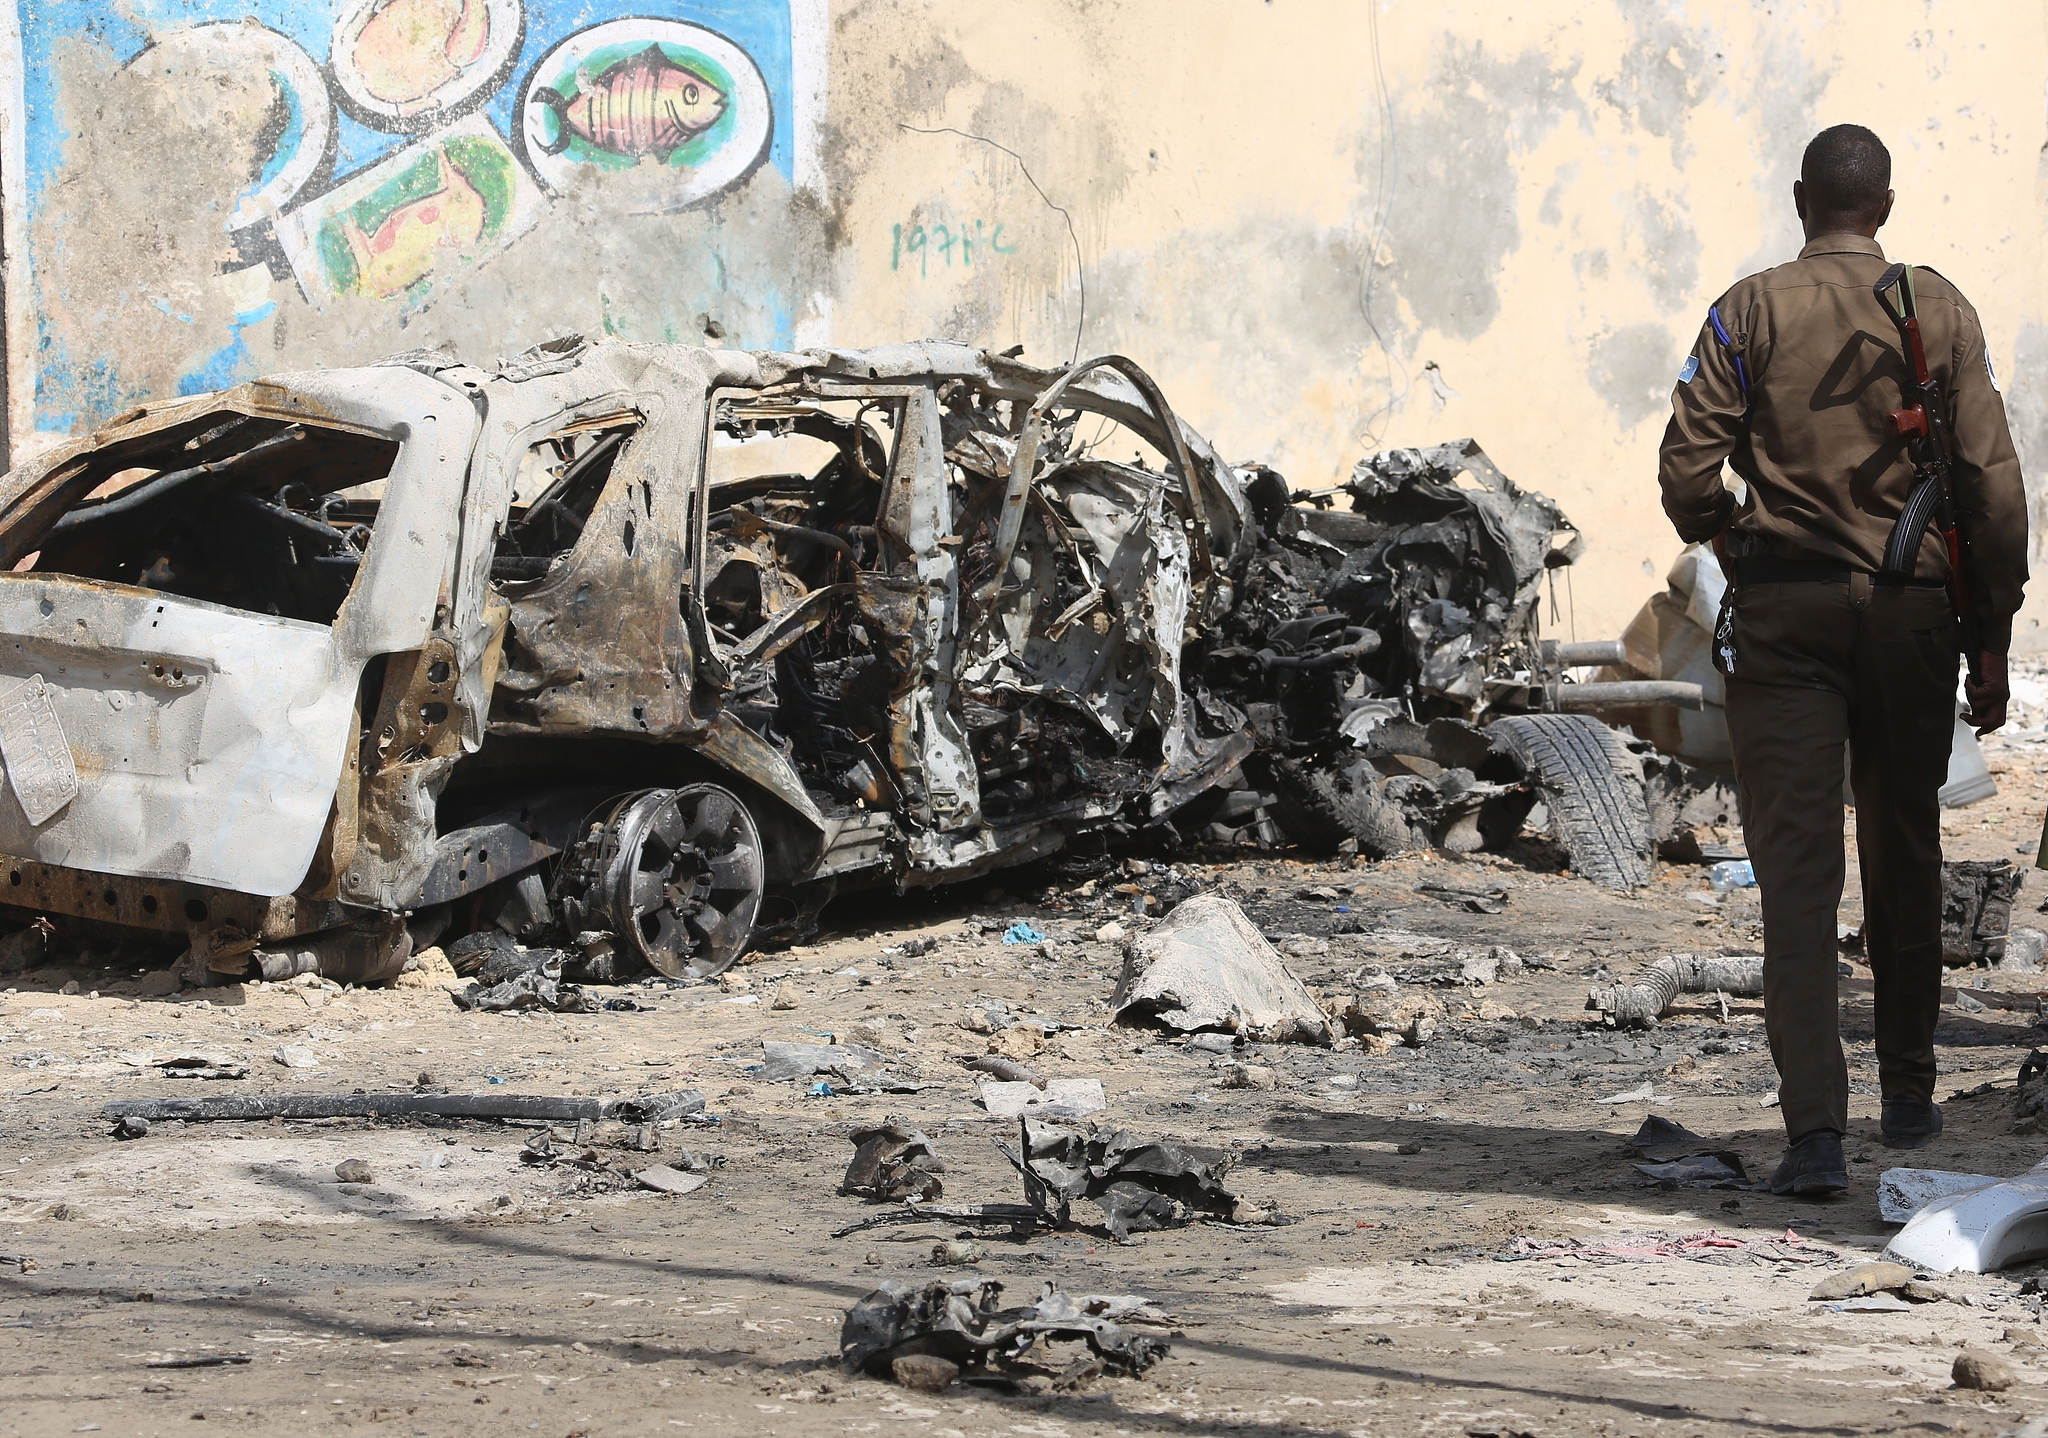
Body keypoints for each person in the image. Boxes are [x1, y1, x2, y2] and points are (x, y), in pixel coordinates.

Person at [1657, 123, 2028, 1195]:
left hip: (1781, 616)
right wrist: (1990, 635)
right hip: (1912, 619)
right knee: (1904, 854)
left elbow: (1686, 467)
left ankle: (1814, 1133)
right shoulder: (1936, 307)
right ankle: (1908, 1098)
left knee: (1796, 874)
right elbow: (1990, 489)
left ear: (1797, 199)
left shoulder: (1746, 309)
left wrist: (1728, 535)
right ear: (1884, 205)